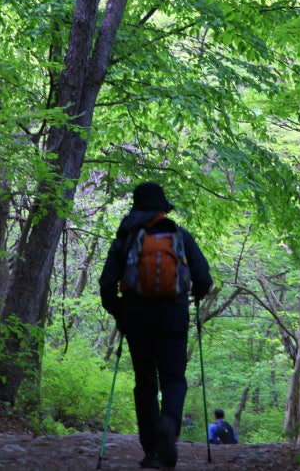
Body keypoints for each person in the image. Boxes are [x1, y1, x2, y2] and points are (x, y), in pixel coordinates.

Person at [99, 182, 212, 470]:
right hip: (173, 315)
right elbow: (203, 278)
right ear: (162, 208)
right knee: (174, 379)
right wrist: (194, 294)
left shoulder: (125, 237)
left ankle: (152, 452)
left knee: (145, 383)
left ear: (137, 208)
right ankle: (169, 426)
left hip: (137, 316)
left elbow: (106, 285)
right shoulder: (179, 235)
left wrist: (120, 313)